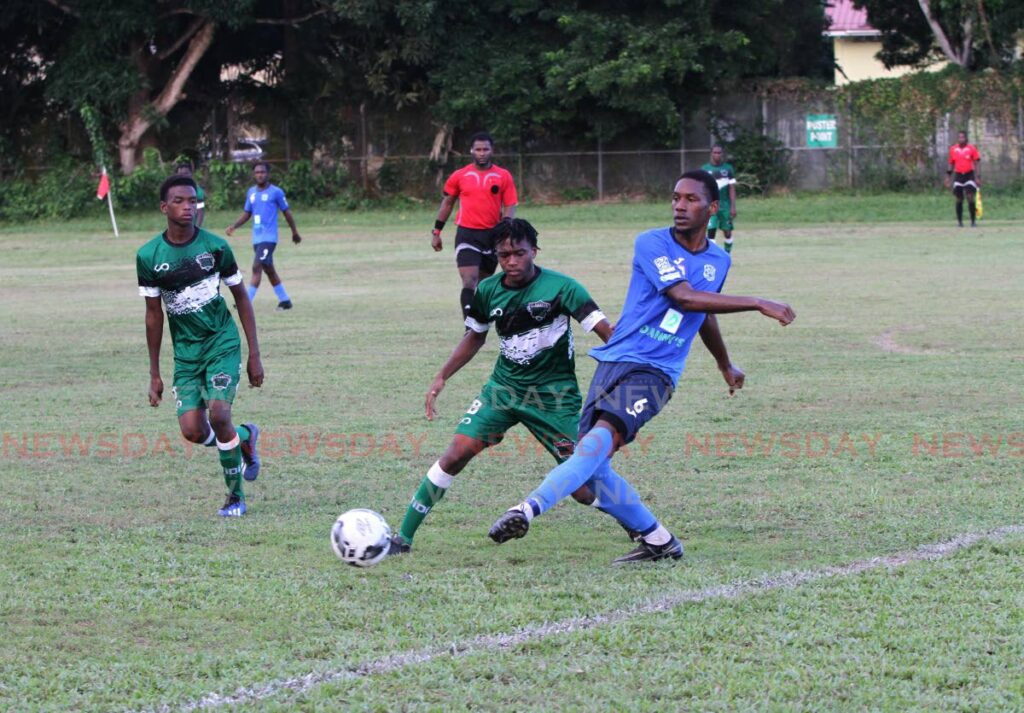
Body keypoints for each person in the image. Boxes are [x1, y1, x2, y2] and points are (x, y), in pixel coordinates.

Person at [488, 171, 796, 564]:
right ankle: (658, 539)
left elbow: (704, 310)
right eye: (675, 198)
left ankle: (526, 509)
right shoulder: (652, 242)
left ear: (713, 209)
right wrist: (757, 302)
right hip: (615, 360)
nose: (679, 206)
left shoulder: (719, 260)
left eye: (690, 199)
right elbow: (685, 298)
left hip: (656, 372)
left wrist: (724, 362)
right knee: (591, 473)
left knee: (594, 446)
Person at [389, 218, 625, 555]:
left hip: (554, 398)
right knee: (455, 454)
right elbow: (475, 335)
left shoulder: (565, 287)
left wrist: (625, 375)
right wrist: (442, 376)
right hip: (503, 391)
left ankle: (638, 525)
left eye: (519, 253)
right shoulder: (487, 290)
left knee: (585, 487)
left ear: (534, 251)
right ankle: (403, 538)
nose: (511, 262)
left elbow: (606, 334)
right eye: (504, 255)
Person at [136, 175, 264, 517]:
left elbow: (241, 297)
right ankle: (244, 438)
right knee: (193, 430)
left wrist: (254, 353)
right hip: (187, 353)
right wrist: (154, 373)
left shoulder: (216, 247)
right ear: (165, 207)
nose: (188, 206)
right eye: (179, 201)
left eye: (192, 201)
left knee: (219, 414)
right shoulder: (149, 256)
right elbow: (153, 316)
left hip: (222, 342)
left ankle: (235, 497)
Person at [430, 131, 518, 322]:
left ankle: (481, 321)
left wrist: (506, 228)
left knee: (484, 285)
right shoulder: (459, 175)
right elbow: (447, 203)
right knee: (469, 280)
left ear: (491, 150)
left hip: (492, 236)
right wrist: (436, 231)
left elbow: (510, 205)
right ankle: (469, 326)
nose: (481, 153)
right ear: (471, 150)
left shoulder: (503, 176)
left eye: (485, 149)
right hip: (467, 235)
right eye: (478, 149)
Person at [226, 161, 302, 310]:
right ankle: (285, 300)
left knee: (256, 267)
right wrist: (234, 226)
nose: (260, 175)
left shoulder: (276, 192)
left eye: (262, 172)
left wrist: (294, 232)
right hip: (257, 238)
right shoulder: (251, 192)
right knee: (269, 269)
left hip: (269, 238)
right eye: (257, 172)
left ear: (268, 174)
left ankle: (246, 302)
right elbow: (247, 213)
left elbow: (287, 213)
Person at [701, 145, 737, 252]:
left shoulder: (728, 168)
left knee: (727, 232)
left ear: (722, 154)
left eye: (719, 153)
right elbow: (702, 189)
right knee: (711, 231)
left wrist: (733, 207)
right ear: (711, 154)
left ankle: (727, 255)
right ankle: (713, 258)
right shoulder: (705, 169)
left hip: (725, 206)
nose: (717, 155)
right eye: (715, 152)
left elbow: (732, 188)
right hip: (711, 205)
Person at [946, 131, 981, 227]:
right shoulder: (953, 149)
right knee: (959, 199)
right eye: (959, 137)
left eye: (963, 137)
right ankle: (960, 222)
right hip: (958, 175)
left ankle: (973, 222)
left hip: (969, 175)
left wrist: (977, 177)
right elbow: (951, 163)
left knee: (970, 197)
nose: (961, 139)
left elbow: (976, 163)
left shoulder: (971, 148)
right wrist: (948, 177)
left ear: (966, 139)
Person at [175, 162, 206, 226]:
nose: (183, 176)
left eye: (186, 173)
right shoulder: (173, 190)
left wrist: (196, 229)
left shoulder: (197, 191)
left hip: (192, 227)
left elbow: (200, 212)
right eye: (180, 174)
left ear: (191, 174)